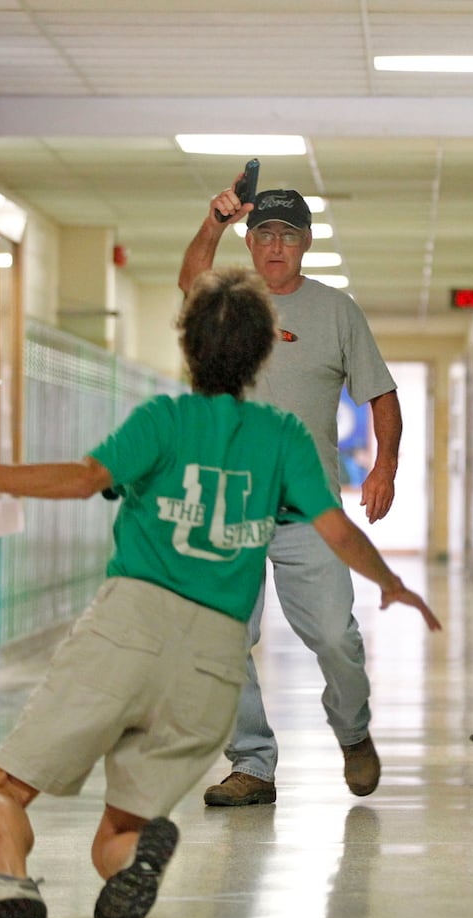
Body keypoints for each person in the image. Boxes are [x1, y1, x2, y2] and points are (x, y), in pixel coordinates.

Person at [0, 267, 439, 918]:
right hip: (211, 665)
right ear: (264, 352)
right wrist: (390, 583)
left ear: (186, 347)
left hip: (130, 628)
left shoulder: (162, 420)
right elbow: (334, 530)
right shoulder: (282, 437)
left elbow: (81, 479)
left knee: (3, 793)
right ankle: (133, 857)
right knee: (118, 830)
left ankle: (10, 880)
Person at [179, 183, 403, 806]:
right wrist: (213, 221)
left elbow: (381, 394)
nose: (276, 246)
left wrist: (384, 466)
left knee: (335, 635)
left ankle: (353, 734)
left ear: (304, 244)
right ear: (250, 243)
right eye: (266, 235)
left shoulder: (337, 311)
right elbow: (191, 274)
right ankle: (252, 763)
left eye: (289, 235)